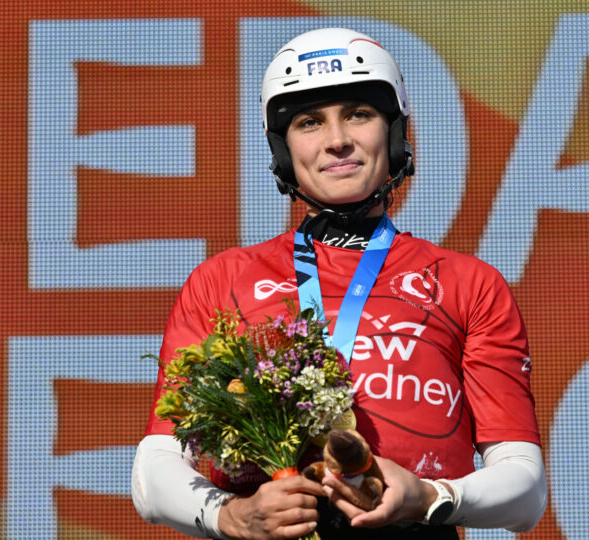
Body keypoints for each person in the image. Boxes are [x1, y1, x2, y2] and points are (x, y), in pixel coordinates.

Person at [131, 27, 547, 539]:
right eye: (310, 122)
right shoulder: (222, 281)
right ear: (284, 152)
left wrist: (430, 496)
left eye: (358, 113)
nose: (337, 140)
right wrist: (232, 516)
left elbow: (526, 492)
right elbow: (154, 471)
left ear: (394, 133)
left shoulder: (469, 284)